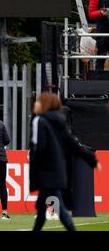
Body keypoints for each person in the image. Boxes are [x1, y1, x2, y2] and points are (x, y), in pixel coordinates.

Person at [30, 92, 101, 231]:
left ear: (44, 105)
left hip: (46, 172)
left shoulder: (39, 121)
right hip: (58, 171)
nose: (35, 104)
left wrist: (35, 167)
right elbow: (73, 144)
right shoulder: (60, 121)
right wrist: (91, 160)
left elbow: (39, 148)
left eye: (38, 102)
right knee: (42, 209)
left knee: (59, 209)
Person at [88, 0, 109, 71]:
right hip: (103, 31)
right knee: (101, 58)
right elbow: (91, 14)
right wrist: (101, 13)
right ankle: (98, 78)